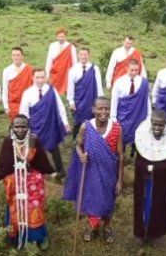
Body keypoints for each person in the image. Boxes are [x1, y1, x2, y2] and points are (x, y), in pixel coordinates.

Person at [63, 97, 124, 244]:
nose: (103, 112)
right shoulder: (86, 127)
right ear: (93, 110)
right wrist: (80, 154)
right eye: (100, 108)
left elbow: (121, 155)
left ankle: (107, 227)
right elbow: (78, 145)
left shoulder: (116, 128)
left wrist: (120, 180)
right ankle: (92, 226)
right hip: (90, 172)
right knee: (91, 198)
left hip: (110, 172)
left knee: (109, 200)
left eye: (106, 109)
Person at [0, 115, 55, 250]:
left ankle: (38, 236)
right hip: (15, 179)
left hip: (31, 179)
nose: (20, 129)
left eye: (23, 126)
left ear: (28, 127)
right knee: (16, 205)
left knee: (34, 205)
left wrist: (52, 172)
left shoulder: (33, 140)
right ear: (12, 128)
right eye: (17, 126)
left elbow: (42, 161)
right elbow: (3, 164)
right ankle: (16, 235)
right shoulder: (8, 141)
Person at [133, 110, 166, 254]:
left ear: (165, 125)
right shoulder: (143, 140)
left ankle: (156, 233)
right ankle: (141, 232)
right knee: (143, 206)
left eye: (160, 125)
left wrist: (157, 168)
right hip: (145, 183)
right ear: (150, 123)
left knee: (159, 206)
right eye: (155, 125)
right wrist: (146, 167)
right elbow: (138, 163)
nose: (157, 128)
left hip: (160, 185)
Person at [19, 69, 70, 178]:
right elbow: (23, 112)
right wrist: (26, 127)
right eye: (37, 77)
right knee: (34, 149)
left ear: (45, 77)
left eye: (42, 77)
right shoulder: (27, 93)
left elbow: (60, 106)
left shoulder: (51, 90)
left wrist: (65, 122)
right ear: (33, 78)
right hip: (35, 126)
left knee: (54, 147)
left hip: (50, 124)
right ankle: (35, 172)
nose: (40, 80)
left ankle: (60, 171)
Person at [111, 59, 151, 157]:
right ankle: (121, 157)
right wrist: (113, 118)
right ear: (126, 68)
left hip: (139, 115)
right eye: (132, 70)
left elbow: (147, 99)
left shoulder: (143, 82)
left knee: (139, 136)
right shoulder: (119, 82)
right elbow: (114, 100)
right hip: (123, 116)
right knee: (122, 137)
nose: (134, 72)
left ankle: (137, 155)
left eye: (136, 70)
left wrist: (149, 115)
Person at [66, 47, 104, 140]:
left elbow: (99, 85)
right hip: (79, 101)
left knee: (92, 120)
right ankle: (76, 140)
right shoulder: (73, 69)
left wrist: (100, 101)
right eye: (81, 54)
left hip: (92, 99)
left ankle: (91, 139)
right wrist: (71, 102)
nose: (83, 57)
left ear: (89, 55)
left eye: (85, 54)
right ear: (79, 55)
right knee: (78, 121)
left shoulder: (94, 68)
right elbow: (70, 86)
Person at [1, 47, 34, 121]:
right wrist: (6, 107)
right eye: (14, 55)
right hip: (13, 104)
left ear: (22, 56)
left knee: (28, 124)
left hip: (27, 103)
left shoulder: (29, 69)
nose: (16, 57)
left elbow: (34, 88)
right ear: (11, 56)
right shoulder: (7, 71)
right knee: (16, 126)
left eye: (18, 55)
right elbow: (5, 90)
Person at [45, 27, 77, 95]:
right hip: (55, 72)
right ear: (56, 37)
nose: (61, 38)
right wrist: (47, 73)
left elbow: (74, 62)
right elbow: (49, 60)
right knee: (53, 91)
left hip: (66, 73)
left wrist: (75, 75)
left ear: (65, 36)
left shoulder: (71, 47)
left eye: (62, 36)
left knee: (66, 91)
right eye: (59, 36)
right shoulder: (52, 46)